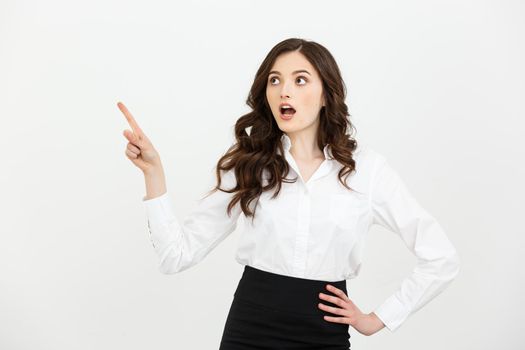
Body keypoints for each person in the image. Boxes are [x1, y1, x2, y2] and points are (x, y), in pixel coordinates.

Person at [118, 38, 461, 349]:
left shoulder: (367, 171)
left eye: (300, 80)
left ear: (326, 93)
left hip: (323, 337)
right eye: (275, 80)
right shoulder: (249, 165)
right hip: (250, 331)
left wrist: (379, 318)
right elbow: (175, 255)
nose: (285, 91)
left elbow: (440, 257)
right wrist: (153, 173)